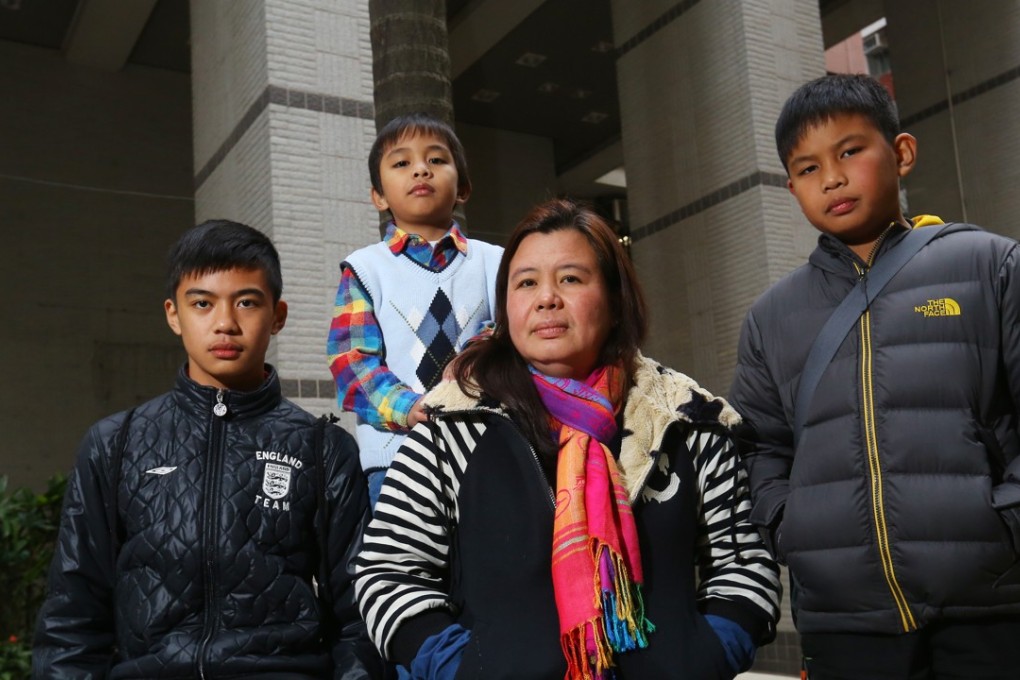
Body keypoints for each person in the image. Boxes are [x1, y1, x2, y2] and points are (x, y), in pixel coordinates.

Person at [355, 198, 781, 679]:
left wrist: (707, 654)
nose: (546, 298)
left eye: (571, 279)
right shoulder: (451, 426)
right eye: (526, 282)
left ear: (616, 301)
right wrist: (463, 668)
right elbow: (388, 572)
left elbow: (743, 563)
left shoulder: (687, 420)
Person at [729, 73, 1020, 679]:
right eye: (807, 169)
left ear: (902, 153)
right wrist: (794, 528)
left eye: (850, 151)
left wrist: (1005, 524)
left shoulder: (990, 265)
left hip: (990, 608)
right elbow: (759, 449)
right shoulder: (771, 317)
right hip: (844, 622)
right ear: (791, 188)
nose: (831, 178)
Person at [34, 220, 382, 679]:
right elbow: (72, 615)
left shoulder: (323, 448)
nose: (225, 323)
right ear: (173, 314)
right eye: (202, 303)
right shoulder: (114, 442)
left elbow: (359, 619)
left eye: (246, 302)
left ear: (277, 315)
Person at [326, 112, 502, 508]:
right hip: (395, 461)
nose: (421, 169)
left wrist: (482, 348)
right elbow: (351, 361)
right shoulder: (365, 268)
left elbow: (515, 334)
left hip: (488, 454)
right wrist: (409, 408)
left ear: (464, 188)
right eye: (402, 163)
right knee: (404, 568)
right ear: (379, 196)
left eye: (436, 160)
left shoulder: (496, 263)